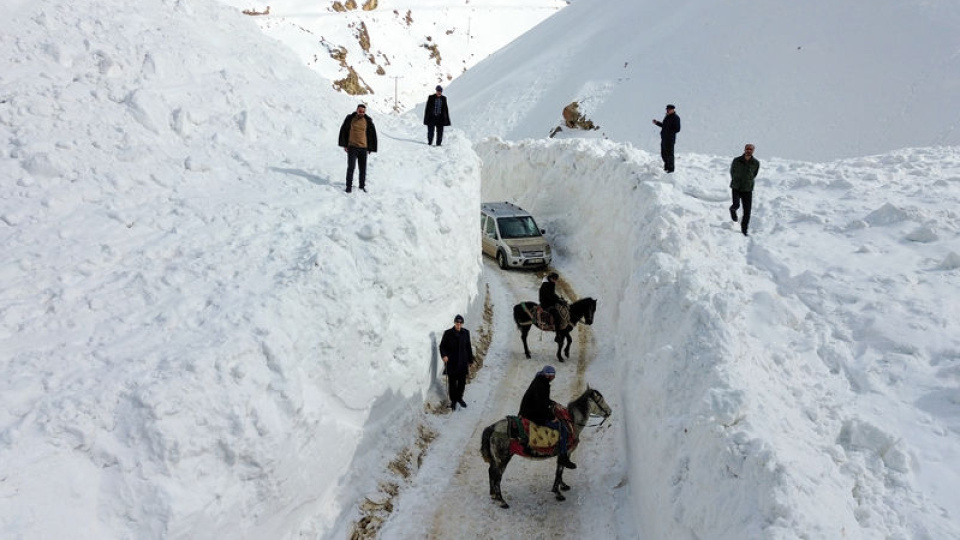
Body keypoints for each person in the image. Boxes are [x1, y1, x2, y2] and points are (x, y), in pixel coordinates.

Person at [518, 365, 576, 469]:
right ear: (548, 376)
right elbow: (541, 405)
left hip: (527, 411)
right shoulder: (542, 385)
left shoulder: (539, 381)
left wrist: (552, 402)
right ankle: (563, 457)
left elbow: (542, 400)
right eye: (553, 376)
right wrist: (552, 417)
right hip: (533, 414)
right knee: (562, 428)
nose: (554, 378)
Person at [337, 104, 378, 193]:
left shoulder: (367, 120)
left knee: (363, 169)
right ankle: (348, 187)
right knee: (351, 167)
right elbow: (344, 130)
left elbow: (371, 135)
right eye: (360, 111)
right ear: (357, 110)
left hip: (363, 148)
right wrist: (345, 145)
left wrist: (370, 148)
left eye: (363, 112)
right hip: (352, 147)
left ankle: (362, 186)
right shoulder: (350, 118)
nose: (361, 113)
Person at [439, 314, 474, 410]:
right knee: (452, 383)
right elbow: (442, 346)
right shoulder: (448, 333)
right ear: (454, 323)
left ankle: (459, 398)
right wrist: (444, 355)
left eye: (460, 323)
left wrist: (470, 360)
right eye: (457, 323)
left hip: (463, 362)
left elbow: (468, 347)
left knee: (462, 383)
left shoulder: (466, 333)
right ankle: (453, 401)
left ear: (462, 323)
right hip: (452, 362)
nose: (458, 324)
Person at [729, 144, 761, 236]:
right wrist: (736, 180)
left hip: (747, 189)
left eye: (751, 149)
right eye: (747, 149)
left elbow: (754, 174)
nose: (749, 150)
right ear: (744, 149)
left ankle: (744, 230)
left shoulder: (756, 163)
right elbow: (732, 172)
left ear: (753, 151)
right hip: (736, 187)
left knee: (747, 211)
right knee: (736, 204)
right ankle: (732, 210)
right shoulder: (736, 160)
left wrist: (748, 182)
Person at [652, 104, 681, 173]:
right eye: (667, 109)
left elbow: (677, 129)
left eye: (669, 109)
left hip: (670, 139)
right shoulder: (667, 117)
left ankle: (671, 170)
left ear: (673, 110)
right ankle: (666, 167)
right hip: (664, 138)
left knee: (669, 154)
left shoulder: (675, 118)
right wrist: (657, 123)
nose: (668, 110)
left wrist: (669, 132)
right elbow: (664, 126)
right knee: (663, 154)